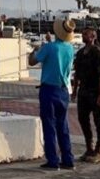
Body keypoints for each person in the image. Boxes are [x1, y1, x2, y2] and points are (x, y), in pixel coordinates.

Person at [28, 17, 76, 171]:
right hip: (63, 90)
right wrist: (48, 43)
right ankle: (68, 159)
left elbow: (32, 62)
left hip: (49, 89)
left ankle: (52, 160)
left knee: (49, 126)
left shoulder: (49, 48)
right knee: (63, 126)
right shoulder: (70, 48)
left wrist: (35, 50)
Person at [71, 28, 100, 163]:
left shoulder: (97, 52)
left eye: (86, 34)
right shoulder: (80, 53)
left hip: (95, 91)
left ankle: (99, 149)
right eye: (83, 33)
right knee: (83, 119)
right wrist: (74, 91)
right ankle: (89, 147)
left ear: (92, 36)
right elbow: (77, 74)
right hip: (83, 92)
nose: (83, 35)